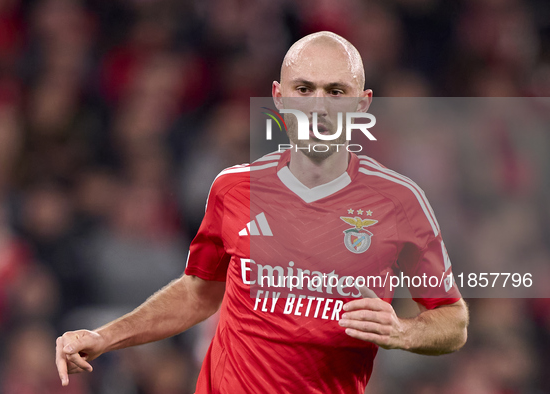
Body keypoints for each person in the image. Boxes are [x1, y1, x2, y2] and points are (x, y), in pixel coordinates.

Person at [55, 31, 469, 393]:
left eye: (336, 92)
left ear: (362, 104)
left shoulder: (399, 201)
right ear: (278, 98)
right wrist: (104, 336)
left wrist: (404, 332)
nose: (318, 107)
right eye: (303, 89)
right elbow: (199, 291)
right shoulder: (233, 188)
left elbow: (452, 318)